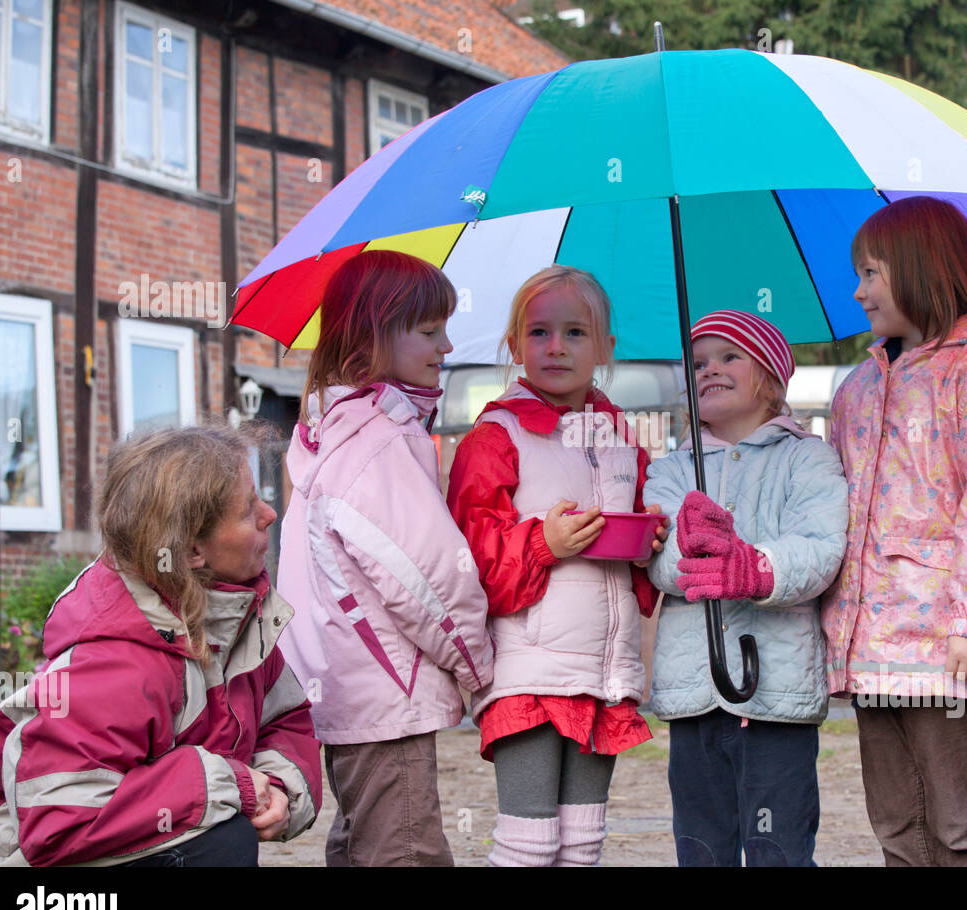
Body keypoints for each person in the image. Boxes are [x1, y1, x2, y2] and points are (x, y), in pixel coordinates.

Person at [0, 425, 321, 867]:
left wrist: (278, 785)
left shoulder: (239, 622)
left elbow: (284, 718)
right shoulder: (114, 661)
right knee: (222, 843)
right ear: (193, 549)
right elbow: (58, 825)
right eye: (248, 510)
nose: (269, 514)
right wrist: (224, 784)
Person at [825, 196, 967, 866]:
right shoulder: (857, 387)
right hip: (875, 647)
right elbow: (838, 505)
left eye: (872, 273)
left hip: (949, 648)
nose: (857, 291)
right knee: (897, 827)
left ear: (919, 268)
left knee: (957, 828)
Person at [277, 249, 494, 867]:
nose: (446, 346)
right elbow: (426, 578)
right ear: (373, 335)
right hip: (384, 692)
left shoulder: (331, 432)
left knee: (361, 842)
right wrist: (480, 674)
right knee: (404, 848)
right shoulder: (377, 442)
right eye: (429, 331)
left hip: (344, 682)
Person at [446, 265, 667, 867]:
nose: (556, 347)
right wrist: (544, 542)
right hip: (529, 670)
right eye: (539, 332)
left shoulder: (623, 437)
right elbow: (467, 560)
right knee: (529, 842)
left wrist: (652, 539)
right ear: (514, 344)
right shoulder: (495, 438)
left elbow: (642, 540)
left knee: (583, 841)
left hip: (604, 669)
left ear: (604, 348)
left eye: (575, 332)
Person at [643, 310, 848, 867]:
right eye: (699, 362)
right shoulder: (672, 469)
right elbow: (656, 556)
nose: (709, 369)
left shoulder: (807, 458)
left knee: (776, 850)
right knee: (702, 848)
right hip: (695, 697)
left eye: (729, 356)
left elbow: (821, 548)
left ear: (771, 378)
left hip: (776, 698)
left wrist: (756, 566)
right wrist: (694, 551)